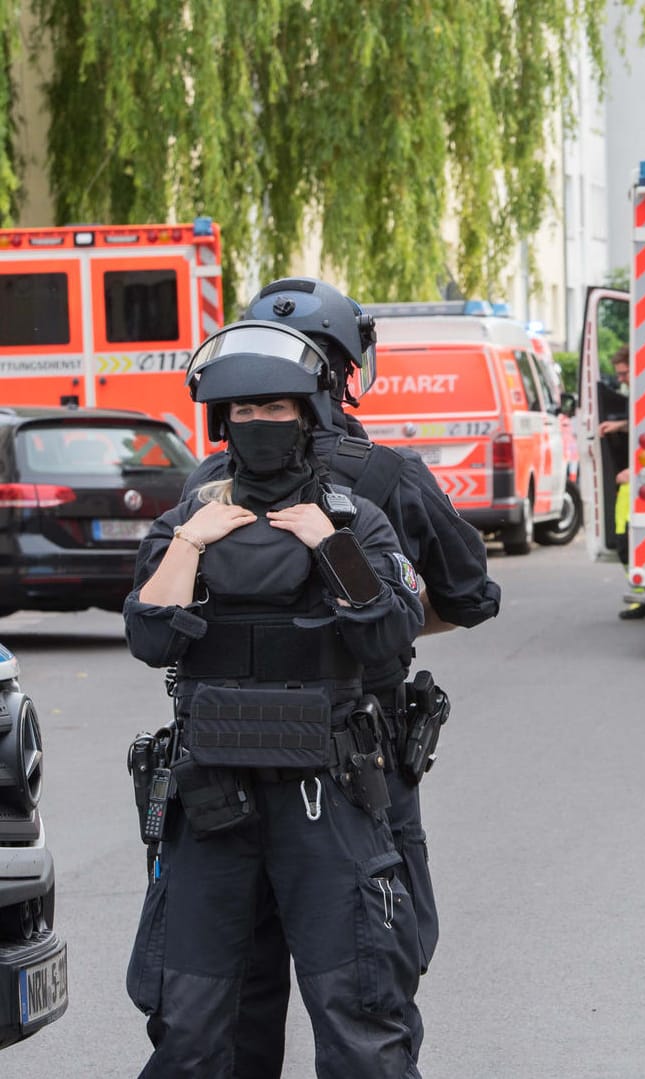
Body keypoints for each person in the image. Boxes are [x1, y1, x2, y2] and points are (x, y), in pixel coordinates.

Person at [181, 278, 501, 1074]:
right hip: (358, 765)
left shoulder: (202, 485)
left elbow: (165, 619)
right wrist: (364, 641)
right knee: (368, 982)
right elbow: (468, 596)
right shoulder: (385, 474)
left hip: (223, 770)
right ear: (346, 369)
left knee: (225, 998)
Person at [124, 320, 425, 1077]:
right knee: (192, 1024)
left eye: (276, 409)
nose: (258, 425)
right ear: (223, 422)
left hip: (325, 792)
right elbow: (150, 634)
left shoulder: (355, 517)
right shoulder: (188, 518)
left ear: (309, 413)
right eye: (243, 413)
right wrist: (193, 543)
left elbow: (388, 632)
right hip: (214, 794)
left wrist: (330, 544)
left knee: (360, 1012)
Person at [598, 346, 645, 620]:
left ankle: (642, 598)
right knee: (623, 539)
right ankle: (641, 596)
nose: (621, 380)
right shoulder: (638, 392)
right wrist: (619, 426)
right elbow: (641, 423)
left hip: (634, 480)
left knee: (626, 540)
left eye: (625, 373)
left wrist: (634, 470)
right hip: (632, 480)